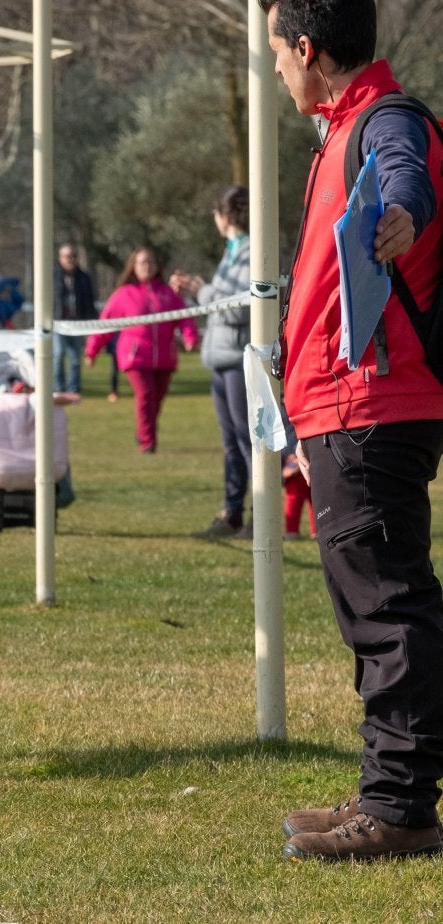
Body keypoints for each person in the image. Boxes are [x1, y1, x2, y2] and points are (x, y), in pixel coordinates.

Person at [261, 0, 443, 862]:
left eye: (275, 52)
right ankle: (383, 791)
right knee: (369, 611)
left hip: (370, 411)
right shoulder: (345, 129)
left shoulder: (384, 120)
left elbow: (407, 174)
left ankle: (402, 811)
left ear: (306, 47)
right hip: (342, 414)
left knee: (389, 613)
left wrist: (404, 214)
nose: (274, 71)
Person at [171, 186, 254, 539]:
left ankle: (263, 517)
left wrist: (201, 291)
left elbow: (238, 308)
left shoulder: (251, 250)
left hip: (238, 360)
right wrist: (200, 289)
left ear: (225, 215)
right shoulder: (232, 250)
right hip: (220, 360)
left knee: (250, 442)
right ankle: (232, 513)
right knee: (231, 442)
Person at [84, 247, 198, 454]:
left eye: (151, 262)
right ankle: (147, 443)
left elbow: (185, 317)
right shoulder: (124, 295)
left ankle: (144, 432)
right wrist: (92, 350)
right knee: (145, 396)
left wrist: (190, 337)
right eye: (142, 262)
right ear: (133, 267)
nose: (147, 266)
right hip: (135, 357)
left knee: (156, 400)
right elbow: (106, 324)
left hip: (164, 357)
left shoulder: (167, 294)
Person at [52, 243, 97, 394]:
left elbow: (89, 301)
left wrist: (91, 322)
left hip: (76, 324)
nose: (70, 259)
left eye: (73, 256)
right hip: (58, 323)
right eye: (67, 256)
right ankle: (58, 388)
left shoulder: (83, 278)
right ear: (60, 258)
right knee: (58, 354)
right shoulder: (52, 276)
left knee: (75, 358)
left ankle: (74, 389)